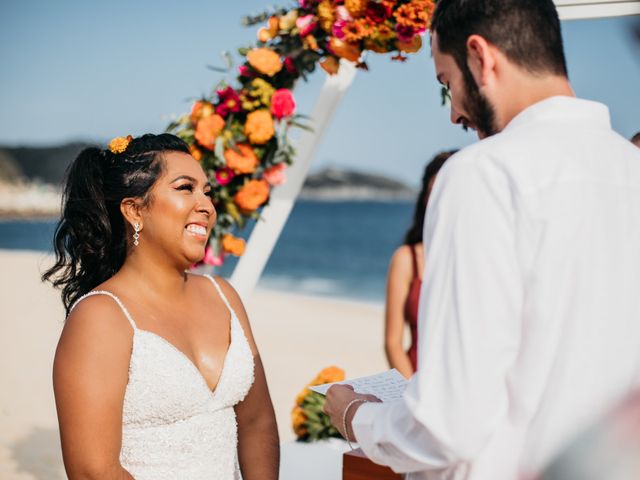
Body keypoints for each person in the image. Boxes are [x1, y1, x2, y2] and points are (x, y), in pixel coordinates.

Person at [324, 1, 640, 479]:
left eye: (446, 83)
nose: (454, 114)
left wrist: (355, 416)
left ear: (480, 57)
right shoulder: (631, 169)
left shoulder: (482, 174)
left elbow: (447, 426)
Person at [43, 133, 279, 479]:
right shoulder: (100, 317)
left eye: (207, 192)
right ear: (135, 210)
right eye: (186, 188)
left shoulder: (224, 295)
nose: (207, 205)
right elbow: (93, 470)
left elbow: (258, 422)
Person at [384, 151, 454, 378]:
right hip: (415, 383)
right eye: (435, 192)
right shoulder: (407, 259)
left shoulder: (483, 255)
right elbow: (393, 342)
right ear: (425, 197)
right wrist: (412, 394)